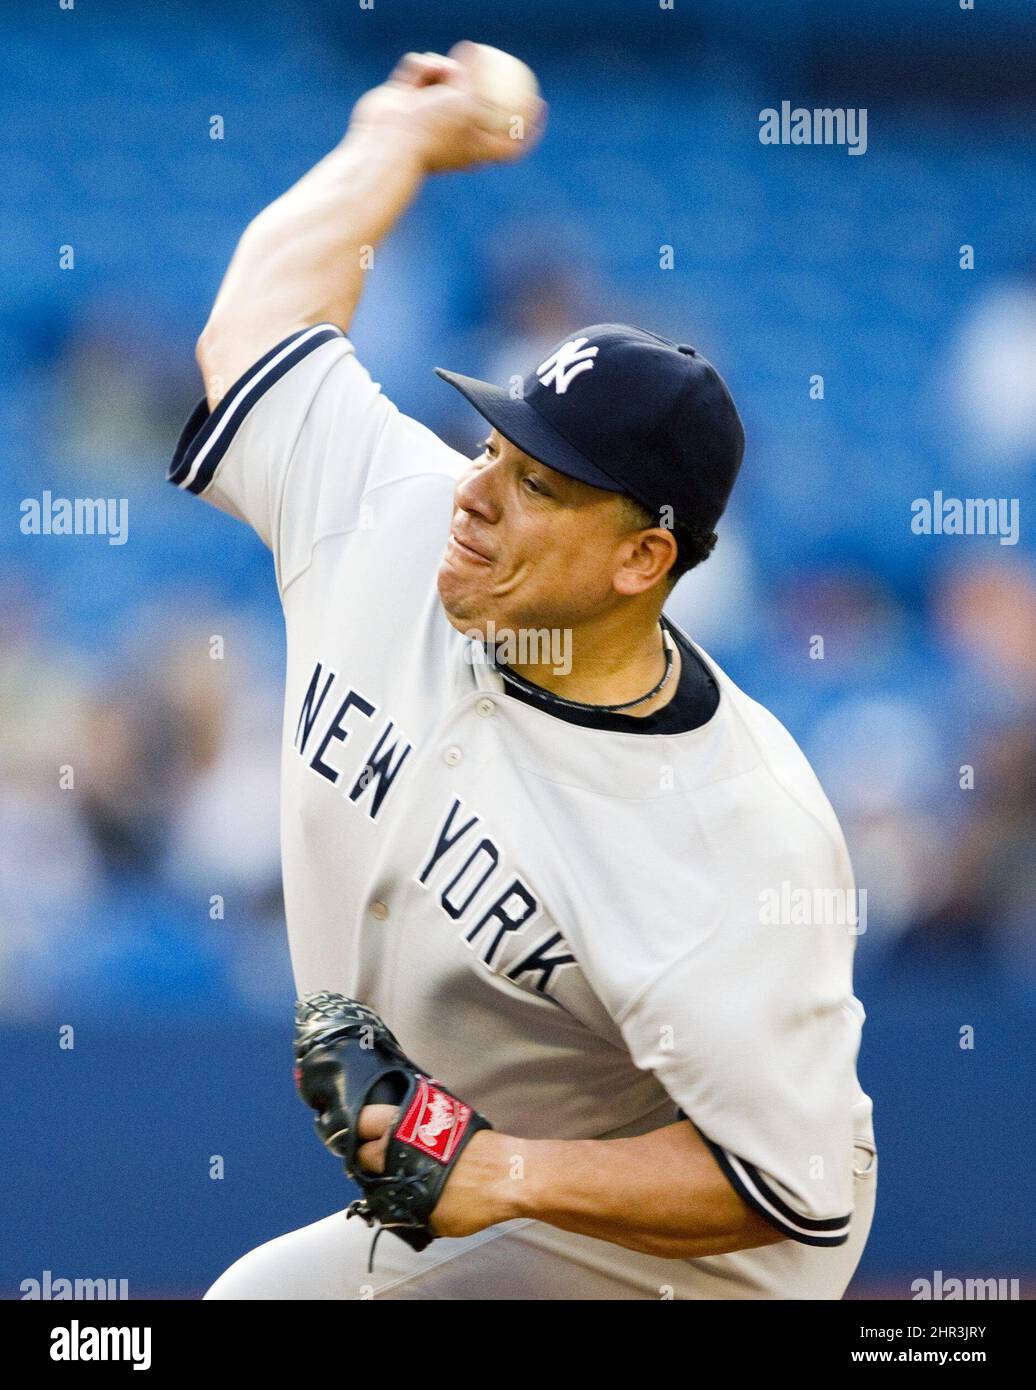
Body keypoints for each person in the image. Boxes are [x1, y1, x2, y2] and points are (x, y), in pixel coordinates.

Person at [170, 46, 876, 1299]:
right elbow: (258, 327)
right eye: (495, 442)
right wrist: (390, 140)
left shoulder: (736, 831)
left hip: (703, 1258)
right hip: (499, 1207)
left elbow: (797, 1185)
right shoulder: (404, 515)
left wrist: (500, 1172)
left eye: (539, 483)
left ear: (641, 558)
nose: (477, 492)